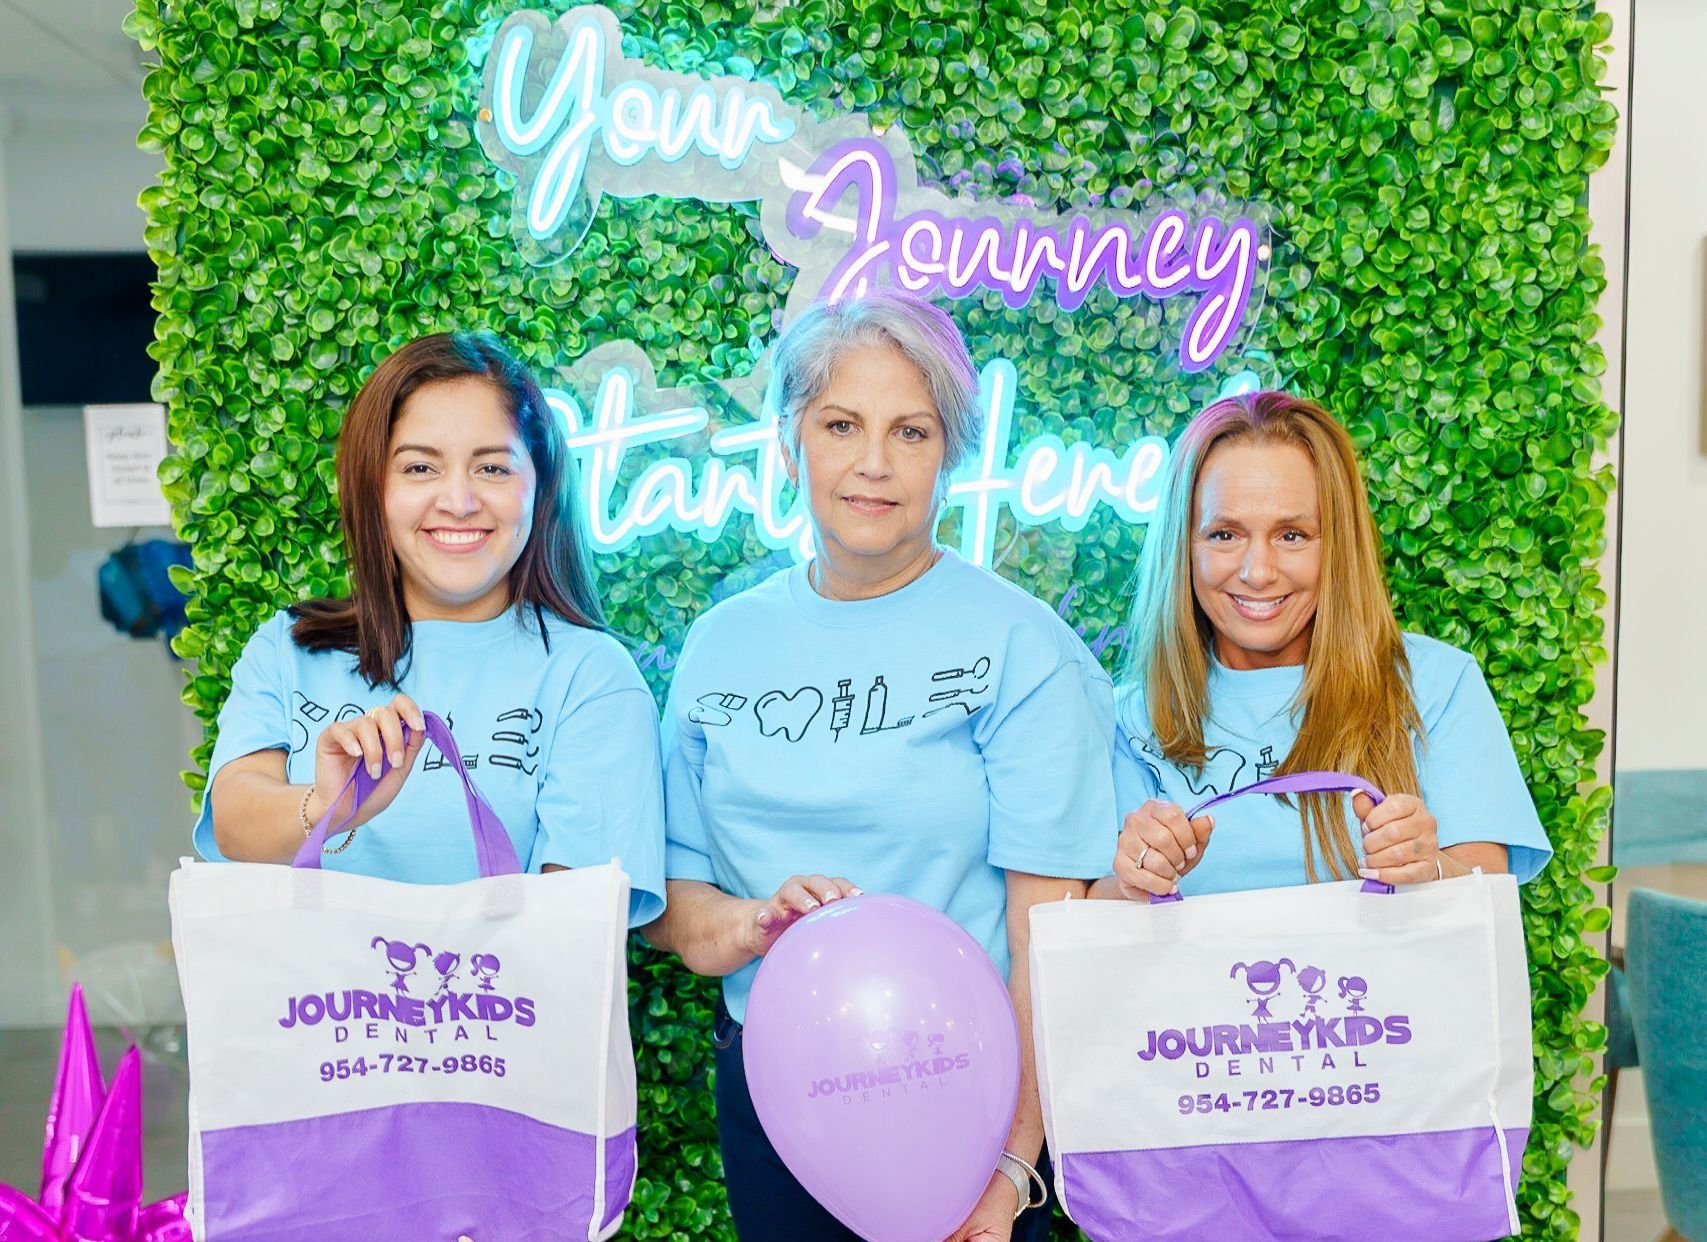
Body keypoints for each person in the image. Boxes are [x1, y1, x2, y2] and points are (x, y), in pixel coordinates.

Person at [641, 290, 1114, 1241]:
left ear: (951, 456)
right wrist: (751, 921)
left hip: (967, 1099)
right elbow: (672, 910)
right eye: (840, 425)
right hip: (776, 1093)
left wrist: (1015, 1168)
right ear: (789, 442)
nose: (872, 464)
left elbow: (1050, 945)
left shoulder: (1021, 645)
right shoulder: (719, 644)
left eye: (911, 431)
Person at [194, 330, 665, 922]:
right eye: (420, 467)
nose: (459, 501)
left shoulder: (591, 677)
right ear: (375, 488)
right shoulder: (288, 650)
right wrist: (330, 805)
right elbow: (235, 823)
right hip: (314, 1014)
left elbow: (572, 929)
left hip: (497, 1011)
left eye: (492, 468)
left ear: (539, 486)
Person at [1094, 390, 1551, 903]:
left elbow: (1485, 896)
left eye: (1292, 535)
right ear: (1184, 546)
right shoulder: (1127, 720)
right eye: (1224, 535)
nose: (1257, 572)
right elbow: (1087, 915)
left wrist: (1432, 866)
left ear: (1337, 543)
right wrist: (1132, 883)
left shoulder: (1438, 685)